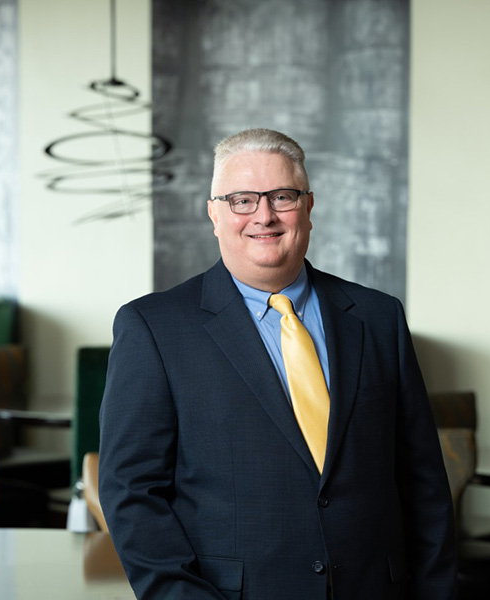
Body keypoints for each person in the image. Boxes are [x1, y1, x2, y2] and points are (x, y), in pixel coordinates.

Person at [99, 128, 456, 600]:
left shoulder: (378, 317)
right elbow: (131, 492)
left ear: (309, 206)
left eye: (282, 197)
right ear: (214, 213)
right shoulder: (153, 327)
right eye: (242, 200)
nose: (263, 216)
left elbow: (423, 481)